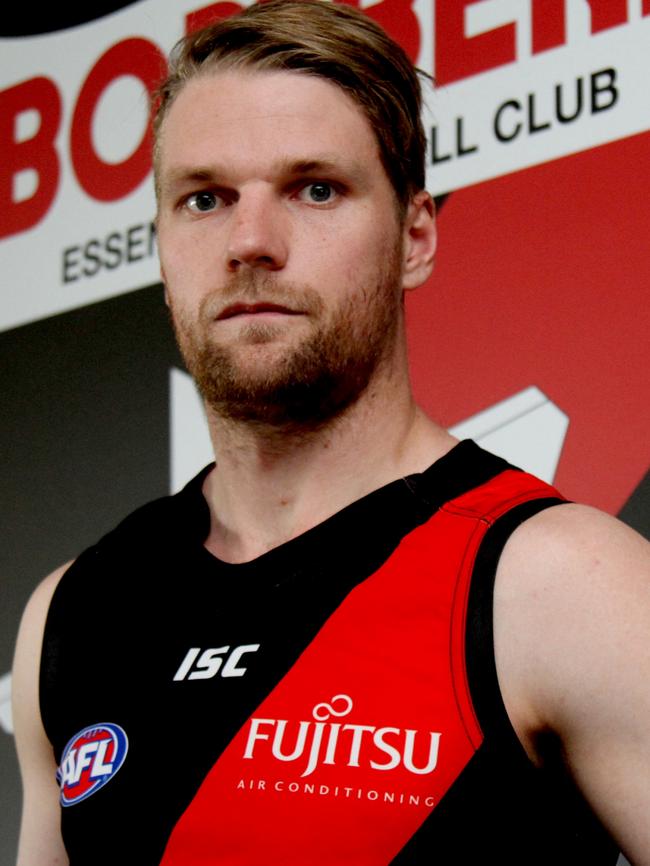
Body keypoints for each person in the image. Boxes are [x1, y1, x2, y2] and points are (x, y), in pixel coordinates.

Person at [11, 1, 650, 864]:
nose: (250, 241)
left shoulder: (563, 582)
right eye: (204, 199)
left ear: (414, 238)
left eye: (316, 188)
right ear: (162, 249)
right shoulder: (70, 613)